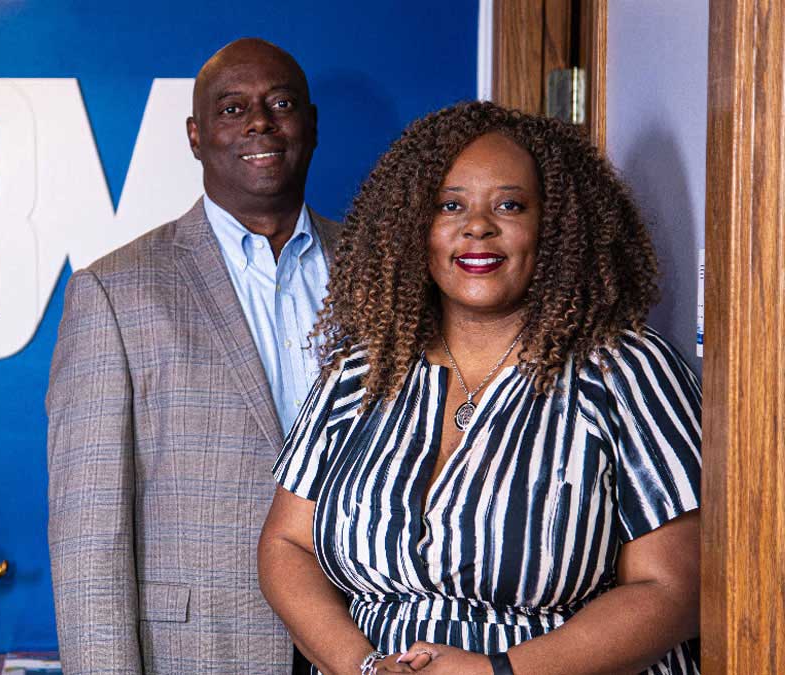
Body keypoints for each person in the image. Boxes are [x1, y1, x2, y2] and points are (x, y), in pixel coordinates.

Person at [259, 101, 701, 675]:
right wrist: (362, 666)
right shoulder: (360, 372)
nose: (477, 226)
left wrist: (498, 672)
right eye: (450, 205)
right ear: (413, 226)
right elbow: (286, 547)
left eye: (510, 205)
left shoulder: (625, 372)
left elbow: (676, 588)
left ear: (556, 225)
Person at [47, 38, 341, 674]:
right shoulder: (114, 291)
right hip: (201, 650)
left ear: (311, 125)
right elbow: (88, 538)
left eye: (280, 103)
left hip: (371, 641)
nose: (259, 122)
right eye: (232, 109)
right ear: (195, 135)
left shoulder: (383, 271)